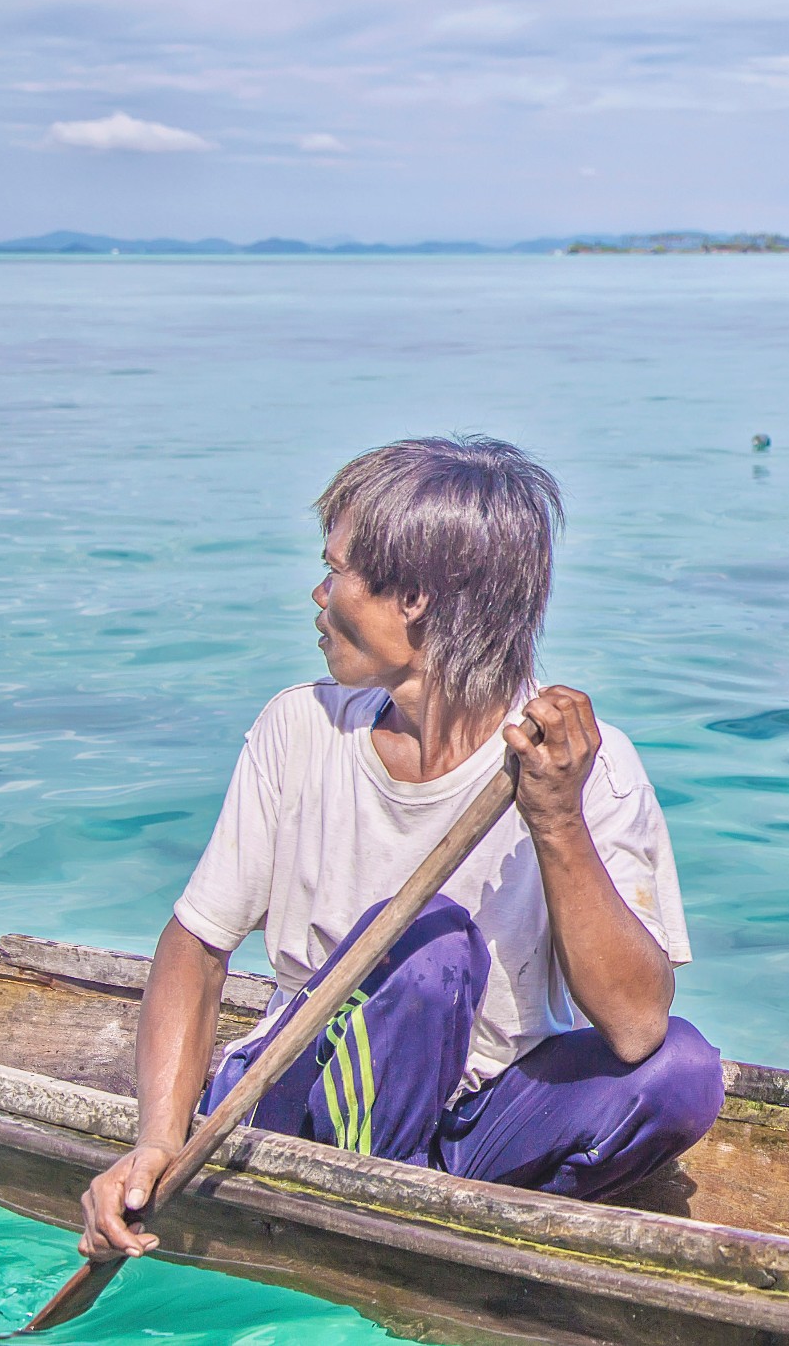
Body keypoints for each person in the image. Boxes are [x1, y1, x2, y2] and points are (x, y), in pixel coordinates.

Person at [78, 436, 724, 1261]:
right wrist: (156, 1143)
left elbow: (636, 1028)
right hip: (301, 1101)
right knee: (434, 949)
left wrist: (557, 821)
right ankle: (382, 1220)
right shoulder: (301, 729)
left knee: (683, 1071)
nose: (317, 595)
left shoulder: (588, 767)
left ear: (415, 598)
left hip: (472, 1119)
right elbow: (197, 944)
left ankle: (445, 1221)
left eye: (337, 570)